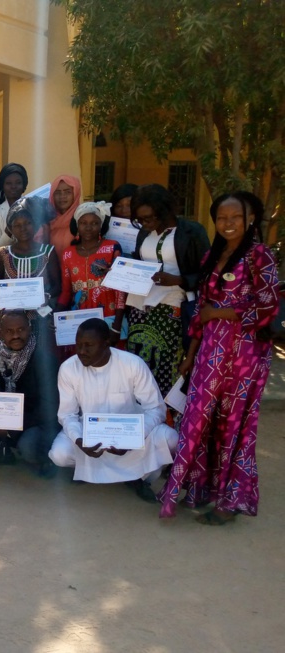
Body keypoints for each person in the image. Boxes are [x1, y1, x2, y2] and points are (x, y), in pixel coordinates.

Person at [158, 192, 279, 525]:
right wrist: (190, 354)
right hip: (210, 352)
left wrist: (221, 312)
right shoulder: (213, 255)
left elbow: (268, 306)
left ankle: (230, 502)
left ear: (249, 219)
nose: (228, 224)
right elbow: (200, 312)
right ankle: (197, 489)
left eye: (235, 218)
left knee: (233, 426)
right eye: (222, 218)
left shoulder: (260, 256)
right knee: (198, 419)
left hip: (245, 355)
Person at [48, 318, 177, 501]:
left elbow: (156, 409)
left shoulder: (132, 364)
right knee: (59, 454)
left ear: (106, 343)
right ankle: (86, 469)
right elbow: (67, 415)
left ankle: (139, 477)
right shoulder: (69, 368)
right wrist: (79, 440)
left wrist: (133, 438)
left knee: (171, 439)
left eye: (88, 345)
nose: (82, 352)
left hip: (131, 433)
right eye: (78, 345)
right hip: (90, 434)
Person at [125, 184, 210, 398]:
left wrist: (179, 279)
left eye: (150, 218)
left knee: (167, 362)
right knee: (140, 363)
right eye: (140, 220)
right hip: (140, 307)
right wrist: (122, 269)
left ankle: (169, 419)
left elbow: (208, 273)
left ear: (164, 211)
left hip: (173, 306)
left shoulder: (192, 232)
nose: (145, 224)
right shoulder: (144, 234)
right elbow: (140, 261)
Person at [0, 311, 60, 476]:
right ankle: (1, 451)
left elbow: (49, 407)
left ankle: (45, 458)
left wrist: (11, 427)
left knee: (29, 447)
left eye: (21, 330)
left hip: (34, 421)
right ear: (0, 333)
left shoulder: (44, 360)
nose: (15, 335)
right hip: (5, 414)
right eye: (9, 331)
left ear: (30, 329)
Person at [56, 200, 126, 342]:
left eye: (94, 223)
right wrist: (56, 315)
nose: (89, 227)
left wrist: (117, 325)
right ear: (77, 225)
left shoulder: (112, 248)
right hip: (79, 319)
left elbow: (121, 290)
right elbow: (66, 292)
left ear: (101, 225)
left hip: (109, 317)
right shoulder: (67, 254)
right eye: (83, 223)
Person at [0, 197, 61, 310]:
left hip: (41, 315)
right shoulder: (4, 253)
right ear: (11, 229)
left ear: (35, 225)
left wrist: (47, 296)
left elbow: (57, 285)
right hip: (12, 318)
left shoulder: (48, 251)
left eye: (28, 223)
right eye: (17, 225)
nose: (23, 229)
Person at [0, 163, 29, 247]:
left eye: (18, 183)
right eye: (8, 183)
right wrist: (9, 230)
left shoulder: (32, 207)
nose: (13, 186)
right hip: (5, 259)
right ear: (2, 186)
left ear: (24, 185)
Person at [47, 174, 83, 258]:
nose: (62, 196)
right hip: (52, 270)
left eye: (68, 192)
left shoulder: (82, 220)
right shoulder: (47, 221)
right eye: (58, 192)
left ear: (75, 194)